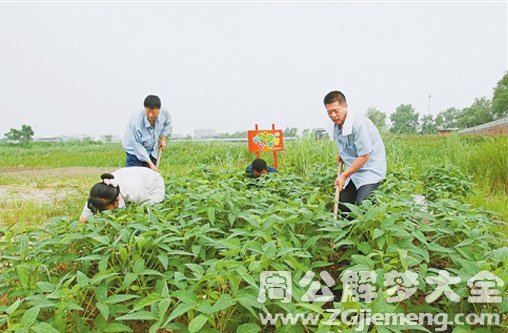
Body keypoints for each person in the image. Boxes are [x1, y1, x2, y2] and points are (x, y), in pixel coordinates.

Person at [324, 90, 386, 212]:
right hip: (355, 170)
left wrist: (344, 175)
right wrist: (343, 153)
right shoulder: (336, 124)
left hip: (370, 169)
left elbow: (364, 156)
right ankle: (346, 230)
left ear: (345, 106)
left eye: (336, 110)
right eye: (329, 112)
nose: (333, 115)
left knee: (363, 205)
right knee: (343, 205)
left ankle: (366, 230)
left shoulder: (358, 124)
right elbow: (346, 143)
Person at [79, 167, 165, 223]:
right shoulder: (97, 196)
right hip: (130, 176)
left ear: (116, 200)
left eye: (106, 209)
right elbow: (83, 220)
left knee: (147, 212)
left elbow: (144, 210)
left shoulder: (135, 192)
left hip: (153, 183)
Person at [123, 95, 171, 172]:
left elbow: (167, 123)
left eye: (153, 112)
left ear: (159, 110)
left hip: (151, 151)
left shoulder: (164, 114)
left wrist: (163, 138)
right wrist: (151, 165)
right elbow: (137, 146)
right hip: (134, 152)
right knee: (135, 179)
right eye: (148, 111)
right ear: (145, 108)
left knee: (150, 181)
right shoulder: (136, 121)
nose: (150, 115)